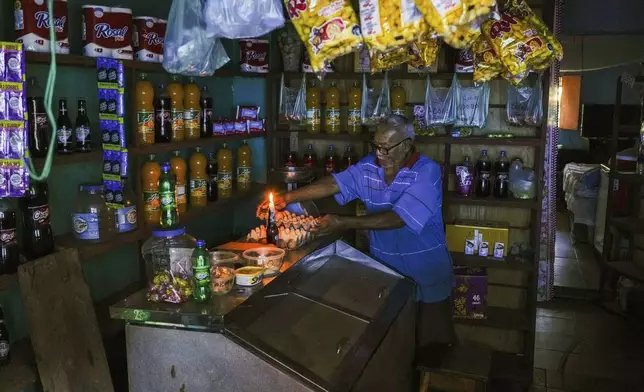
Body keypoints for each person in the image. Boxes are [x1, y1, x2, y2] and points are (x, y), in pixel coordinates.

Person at [257, 114, 455, 355]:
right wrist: (285, 198)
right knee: (393, 346)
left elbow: (398, 218)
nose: (379, 153)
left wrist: (342, 222)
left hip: (426, 272)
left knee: (430, 347)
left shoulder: (427, 172)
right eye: (376, 145)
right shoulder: (370, 167)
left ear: (406, 145)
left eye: (386, 147)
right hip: (387, 272)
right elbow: (333, 184)